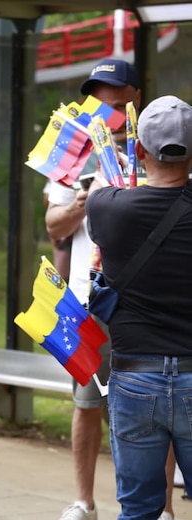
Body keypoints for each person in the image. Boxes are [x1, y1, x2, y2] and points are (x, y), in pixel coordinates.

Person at [46, 58, 147, 520]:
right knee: (86, 402)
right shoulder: (74, 154)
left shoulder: (159, 149)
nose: (105, 104)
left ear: (133, 99)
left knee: (149, 408)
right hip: (89, 297)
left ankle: (160, 507)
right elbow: (54, 226)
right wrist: (85, 202)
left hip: (148, 300)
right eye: (97, 95)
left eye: (114, 95)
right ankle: (83, 501)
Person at [86, 94, 192, 520]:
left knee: (138, 510)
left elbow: (100, 186)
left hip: (134, 380)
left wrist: (120, 166)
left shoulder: (108, 208)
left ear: (141, 149)